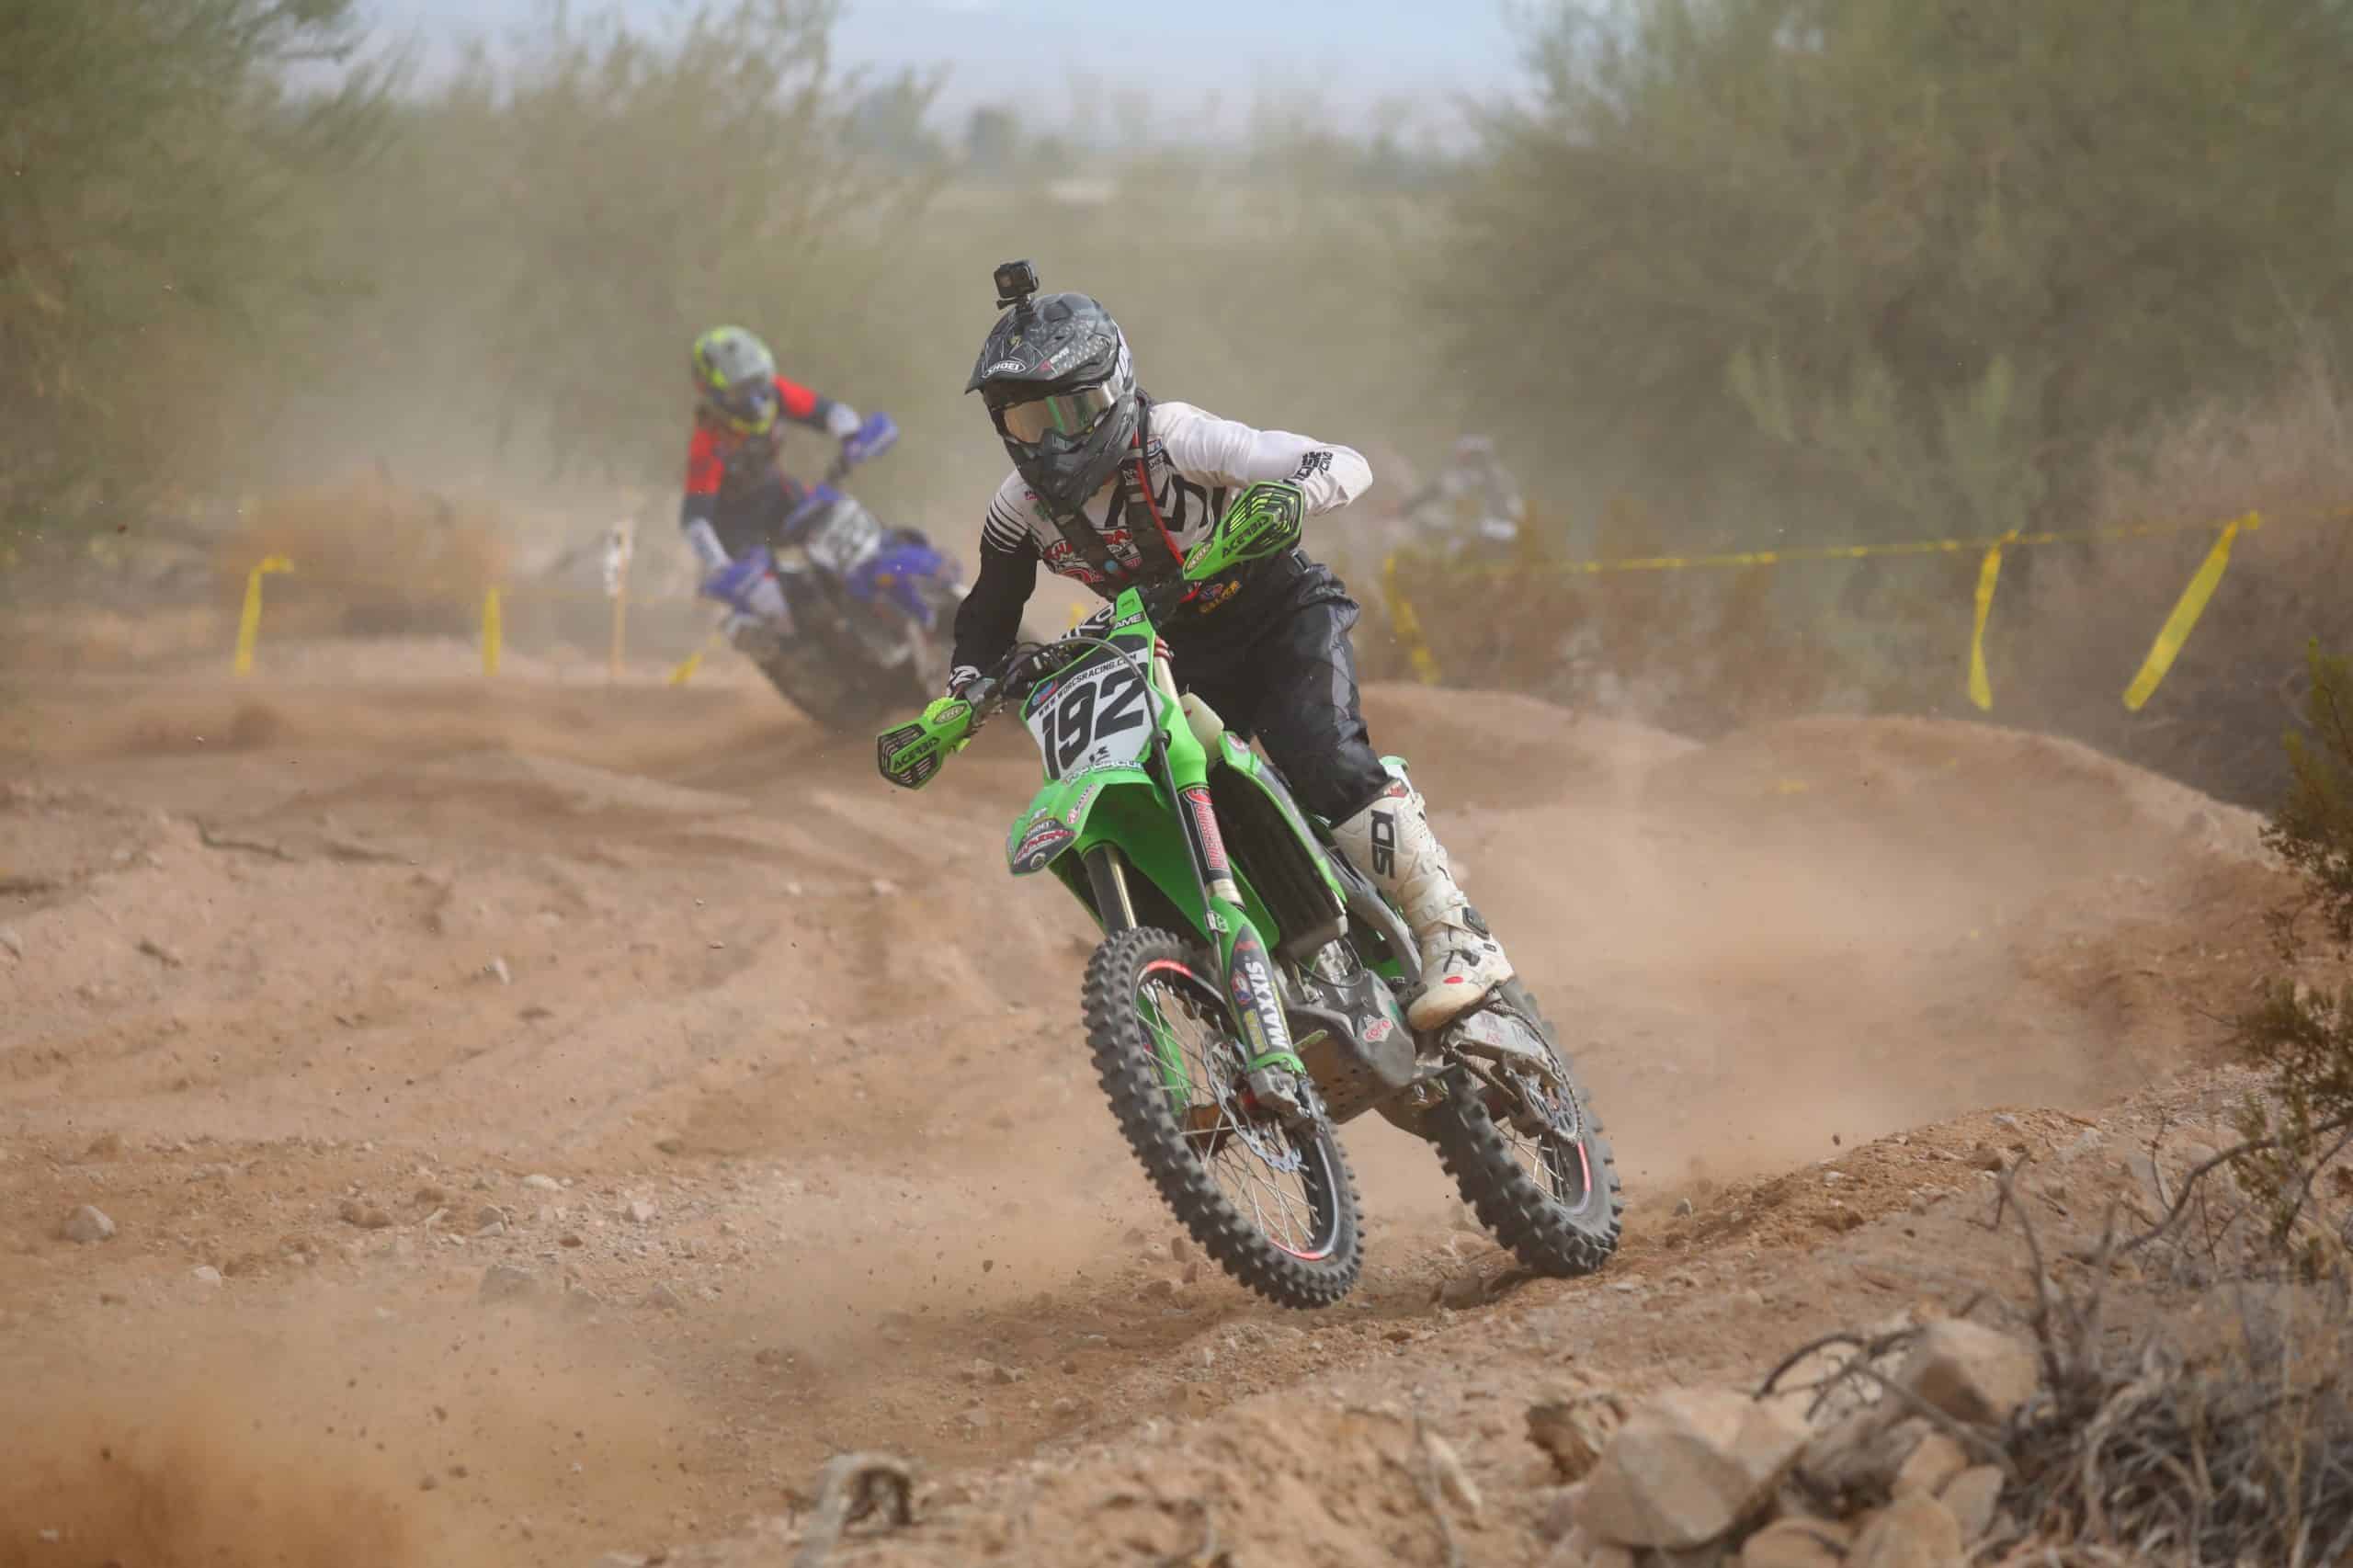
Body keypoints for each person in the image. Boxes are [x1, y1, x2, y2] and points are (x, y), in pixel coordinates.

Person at [941, 270, 1512, 1029]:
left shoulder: (1175, 437)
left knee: (1321, 754)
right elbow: (988, 609)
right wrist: (962, 692)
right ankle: (1263, 975)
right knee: (1176, 802)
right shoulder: (1018, 510)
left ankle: (1456, 935)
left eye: (1071, 410)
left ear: (1114, 389)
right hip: (1173, 658)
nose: (1053, 439)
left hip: (1280, 616)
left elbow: (1342, 461)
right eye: (1027, 423)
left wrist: (1293, 495)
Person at [676, 325, 867, 631]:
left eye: (757, 384)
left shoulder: (775, 391)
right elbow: (695, 517)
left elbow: (827, 411)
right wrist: (719, 565)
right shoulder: (709, 442)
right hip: (737, 530)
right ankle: (803, 656)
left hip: (779, 496)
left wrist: (853, 436)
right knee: (776, 608)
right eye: (741, 392)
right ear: (715, 396)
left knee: (845, 527)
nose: (755, 399)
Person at [1402, 434, 1526, 560]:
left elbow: (1433, 492)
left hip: (1487, 534)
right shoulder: (1502, 476)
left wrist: (1404, 510)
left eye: (1464, 456)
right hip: (1510, 535)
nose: (1460, 459)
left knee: (1453, 549)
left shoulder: (1469, 477)